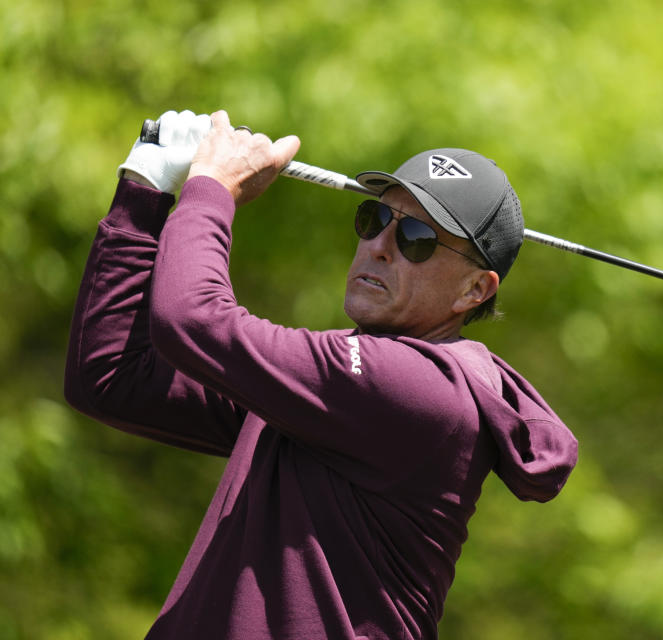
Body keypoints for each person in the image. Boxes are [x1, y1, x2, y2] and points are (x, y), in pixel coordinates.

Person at [64, 109, 578, 640]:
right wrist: (145, 188)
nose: (379, 245)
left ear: (475, 291)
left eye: (419, 238)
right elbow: (112, 377)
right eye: (375, 219)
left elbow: (193, 319)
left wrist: (211, 188)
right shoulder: (333, 395)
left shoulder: (420, 388)